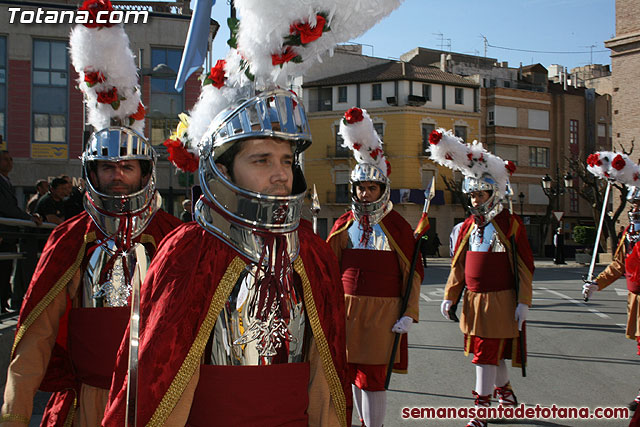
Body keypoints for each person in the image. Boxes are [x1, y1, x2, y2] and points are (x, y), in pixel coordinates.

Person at [105, 88, 350, 426]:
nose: (281, 174)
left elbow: (327, 374)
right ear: (222, 168)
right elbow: (155, 375)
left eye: (287, 161)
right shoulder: (189, 249)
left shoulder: (312, 251)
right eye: (262, 160)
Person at [1, 9, 182, 424]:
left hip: (157, 403)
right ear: (92, 172)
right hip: (86, 401)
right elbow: (37, 336)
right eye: (107, 166)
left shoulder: (174, 237)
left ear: (145, 173)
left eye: (127, 166)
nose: (117, 175)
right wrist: (14, 412)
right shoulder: (70, 238)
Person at [327, 108, 423, 427]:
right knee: (352, 374)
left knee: (373, 378)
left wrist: (409, 312)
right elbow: (326, 269)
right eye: (359, 188)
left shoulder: (397, 227)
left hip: (383, 313)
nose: (364, 193)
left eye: (371, 188)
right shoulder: (342, 224)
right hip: (347, 310)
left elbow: (413, 274)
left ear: (382, 190)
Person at [430, 129, 533, 427]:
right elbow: (458, 268)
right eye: (472, 195)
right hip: (473, 302)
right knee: (491, 353)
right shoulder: (464, 228)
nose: (476, 200)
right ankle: (506, 394)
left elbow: (525, 267)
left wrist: (524, 301)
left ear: (493, 193)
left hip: (500, 300)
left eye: (481, 194)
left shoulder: (510, 225)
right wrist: (450, 296)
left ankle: (481, 410)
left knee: (485, 355)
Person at [583, 186, 640, 410]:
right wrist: (598, 283)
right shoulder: (629, 233)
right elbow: (619, 264)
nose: (635, 209)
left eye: (639, 204)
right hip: (635, 299)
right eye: (634, 204)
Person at [0, 151, 42, 314]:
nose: (9, 162)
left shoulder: (7, 181)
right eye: (5, 159)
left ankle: (3, 302)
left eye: (11, 159)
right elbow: (6, 207)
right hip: (4, 233)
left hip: (9, 235)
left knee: (6, 269)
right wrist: (28, 217)